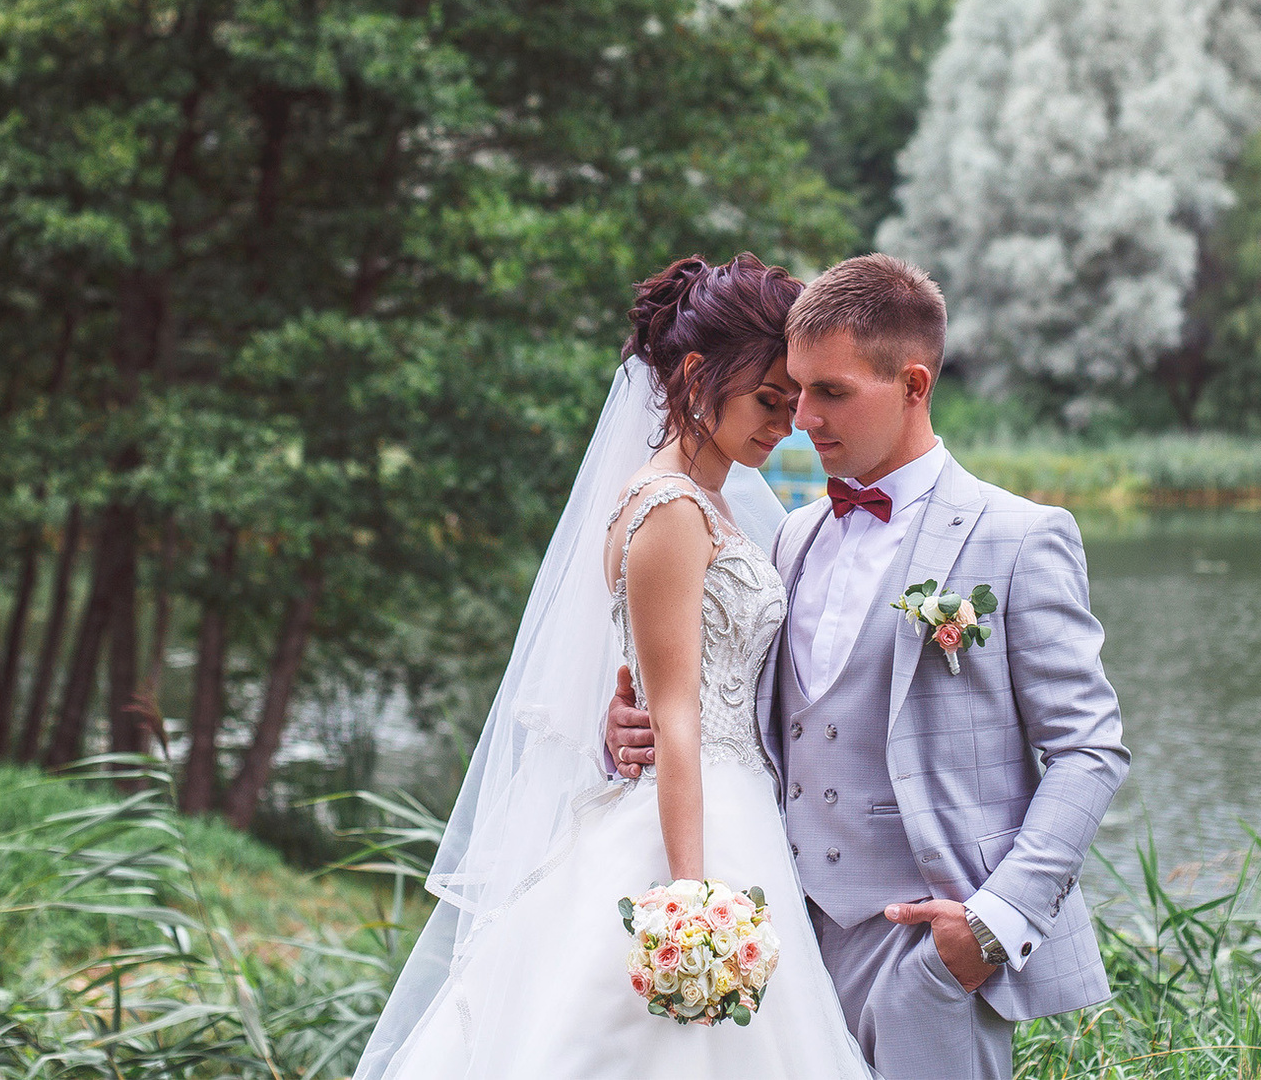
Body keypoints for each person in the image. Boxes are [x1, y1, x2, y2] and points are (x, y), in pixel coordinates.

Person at [353, 253, 879, 1080]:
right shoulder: (668, 509)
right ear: (699, 374)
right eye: (768, 399)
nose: (786, 423)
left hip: (737, 800)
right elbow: (674, 713)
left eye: (798, 400)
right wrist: (691, 902)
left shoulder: (712, 504)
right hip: (695, 824)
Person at [606, 254, 1130, 1080]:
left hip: (932, 956)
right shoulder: (792, 534)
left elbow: (1090, 749)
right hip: (784, 944)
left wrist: (990, 925)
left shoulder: (1020, 536)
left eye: (832, 392)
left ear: (914, 385)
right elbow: (730, 703)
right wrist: (626, 724)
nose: (801, 418)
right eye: (796, 388)